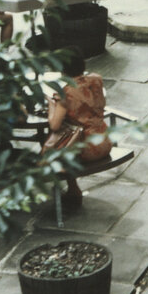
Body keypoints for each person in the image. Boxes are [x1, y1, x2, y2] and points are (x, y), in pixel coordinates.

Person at [44, 45, 113, 208]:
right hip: (105, 141)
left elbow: (54, 125)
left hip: (88, 149)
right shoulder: (96, 80)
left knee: (57, 142)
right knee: (71, 135)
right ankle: (73, 190)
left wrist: (51, 104)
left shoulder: (65, 93)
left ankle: (71, 190)